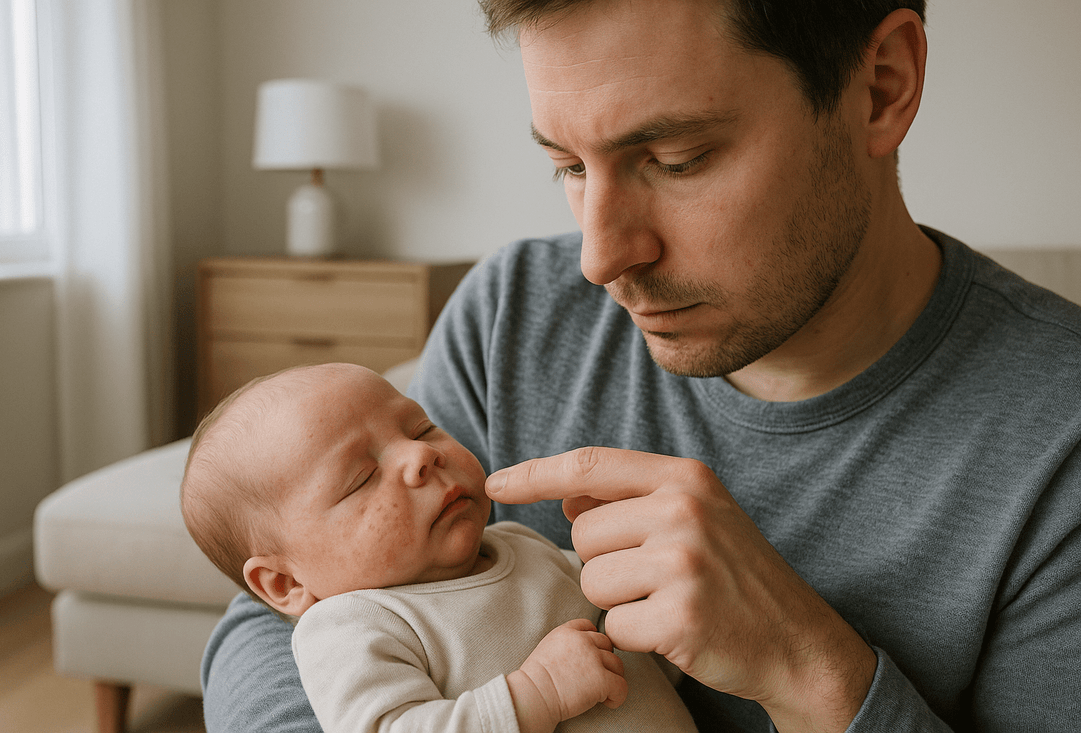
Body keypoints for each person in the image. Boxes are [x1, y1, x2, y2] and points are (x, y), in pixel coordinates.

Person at [200, 1, 1081, 731]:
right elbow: (285, 616)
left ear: (881, 85)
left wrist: (810, 669)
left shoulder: (1059, 443)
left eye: (674, 159)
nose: (600, 258)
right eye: (568, 166)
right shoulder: (515, 309)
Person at [181, 363, 698, 733]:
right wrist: (538, 693)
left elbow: (637, 643)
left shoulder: (523, 545)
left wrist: (644, 583)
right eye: (361, 477)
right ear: (285, 582)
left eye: (422, 427)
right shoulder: (351, 628)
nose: (419, 455)